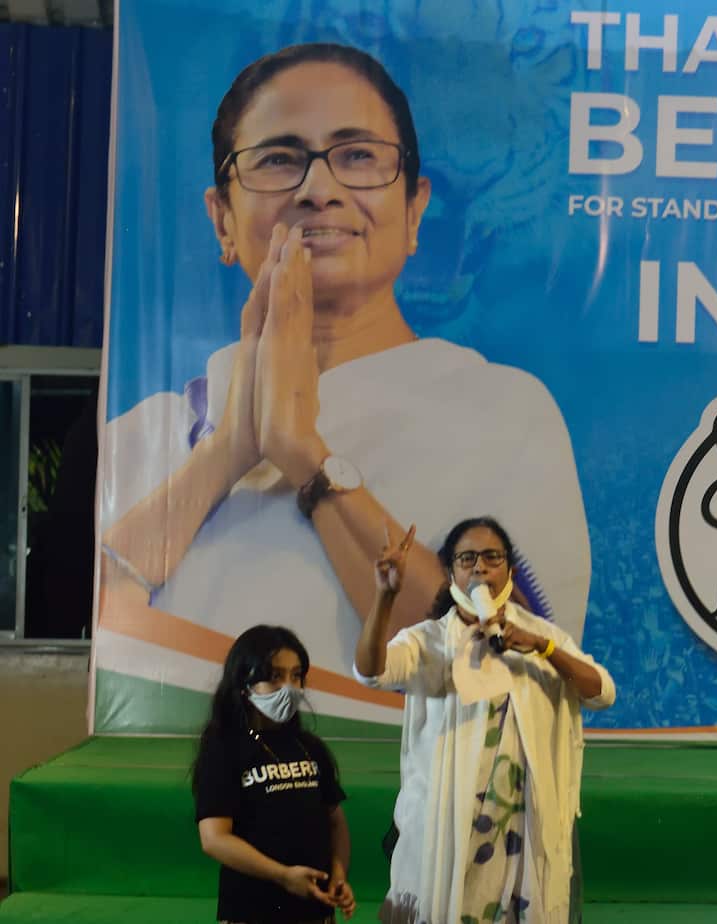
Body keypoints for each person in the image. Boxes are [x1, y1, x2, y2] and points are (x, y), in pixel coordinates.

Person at [96, 43, 590, 721]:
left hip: (412, 807)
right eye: (278, 158)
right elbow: (98, 648)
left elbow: (513, 677)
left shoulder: (504, 413)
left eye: (357, 156)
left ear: (415, 210)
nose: (318, 189)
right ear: (222, 218)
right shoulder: (144, 434)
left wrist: (305, 458)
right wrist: (226, 453)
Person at [355, 517, 615, 924]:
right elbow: (371, 671)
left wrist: (544, 649)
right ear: (451, 571)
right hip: (447, 825)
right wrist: (385, 598)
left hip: (521, 824)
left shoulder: (541, 636)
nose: (480, 568)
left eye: (492, 557)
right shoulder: (429, 641)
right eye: (467, 558)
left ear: (509, 569)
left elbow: (601, 691)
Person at [193, 625, 356, 923]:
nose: (289, 688)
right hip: (253, 910)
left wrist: (338, 873)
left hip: (315, 911)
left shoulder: (310, 747)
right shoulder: (224, 748)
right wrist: (283, 876)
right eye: (275, 676)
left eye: (296, 676)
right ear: (244, 683)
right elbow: (214, 838)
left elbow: (336, 822)